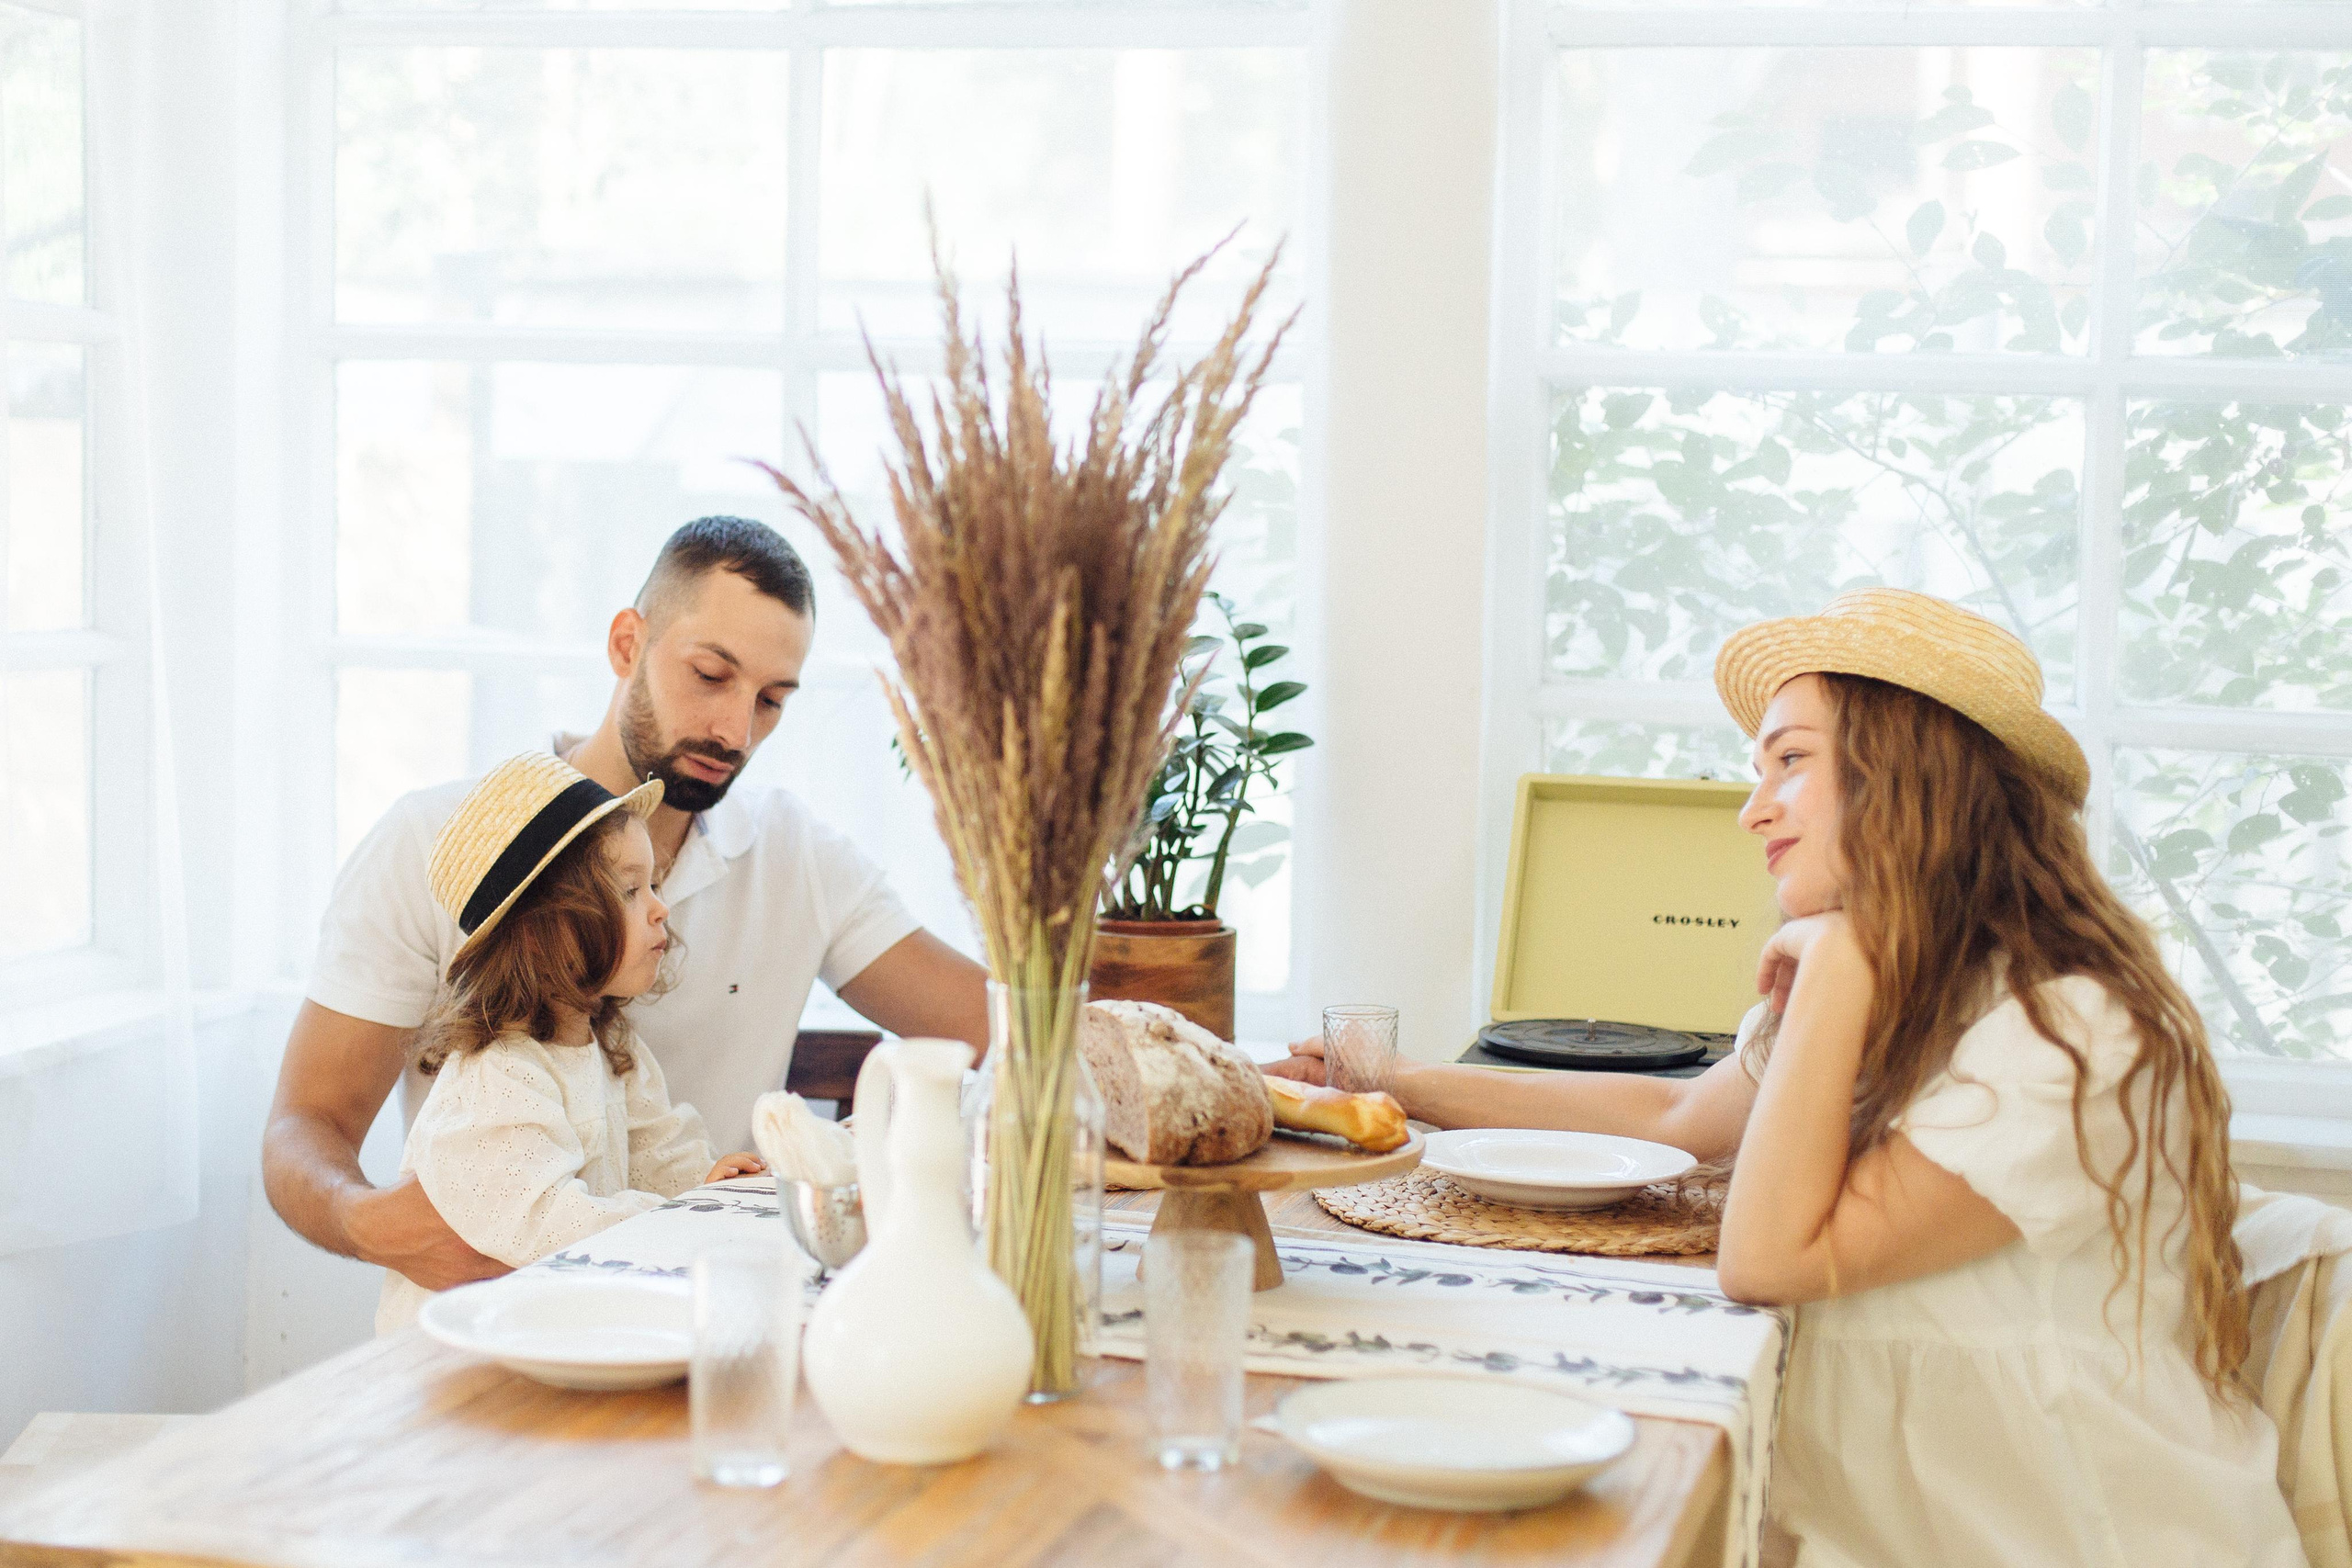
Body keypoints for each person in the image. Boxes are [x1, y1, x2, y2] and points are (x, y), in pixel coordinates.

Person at [1270, 588, 2303, 1566]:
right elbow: (1677, 1113)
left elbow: (1768, 1260)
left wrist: (1838, 975)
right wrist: (1397, 1082)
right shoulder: (1896, 974)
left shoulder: (2071, 1032)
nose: (1749, 811)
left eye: (1789, 762)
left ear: (1908, 777)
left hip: (2077, 1534)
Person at [266, 516, 989, 1296]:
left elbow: (1002, 1028)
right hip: (497, 1327)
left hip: (708, 1311)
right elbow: (305, 1125)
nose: (736, 730)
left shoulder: (798, 857)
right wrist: (373, 1223)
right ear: (626, 643)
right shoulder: (437, 844)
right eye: (710, 674)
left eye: (773, 700)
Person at [376, 754, 767, 1332]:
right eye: (631, 890)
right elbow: (545, 1224)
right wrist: (673, 1221)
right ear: (547, 926)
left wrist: (701, 1188)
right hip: (461, 1363)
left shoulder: (610, 1049)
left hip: (551, 1330)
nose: (661, 907)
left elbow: (656, 1150)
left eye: (653, 884)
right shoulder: (497, 1073)